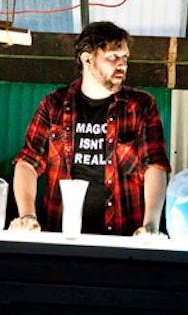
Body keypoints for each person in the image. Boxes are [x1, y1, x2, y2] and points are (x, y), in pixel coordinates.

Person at [9, 21, 171, 236]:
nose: (122, 65)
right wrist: (27, 216)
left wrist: (151, 224)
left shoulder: (140, 106)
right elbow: (28, 163)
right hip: (61, 234)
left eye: (125, 58)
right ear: (87, 59)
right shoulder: (54, 105)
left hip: (123, 238)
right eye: (113, 57)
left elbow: (155, 166)